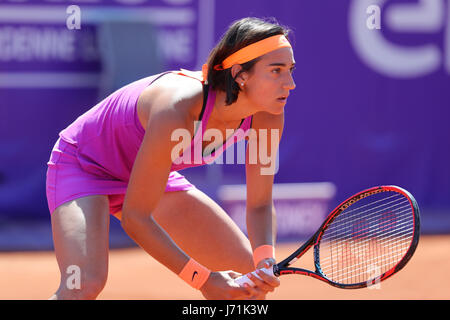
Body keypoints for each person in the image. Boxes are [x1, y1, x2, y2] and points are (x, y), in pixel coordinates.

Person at [46, 17, 296, 300]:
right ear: (240, 74)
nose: (290, 83)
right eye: (276, 71)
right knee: (83, 284)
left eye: (290, 70)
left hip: (151, 174)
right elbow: (135, 217)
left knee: (246, 281)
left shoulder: (267, 116)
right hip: (84, 166)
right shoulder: (178, 109)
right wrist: (203, 279)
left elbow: (261, 204)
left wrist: (264, 260)